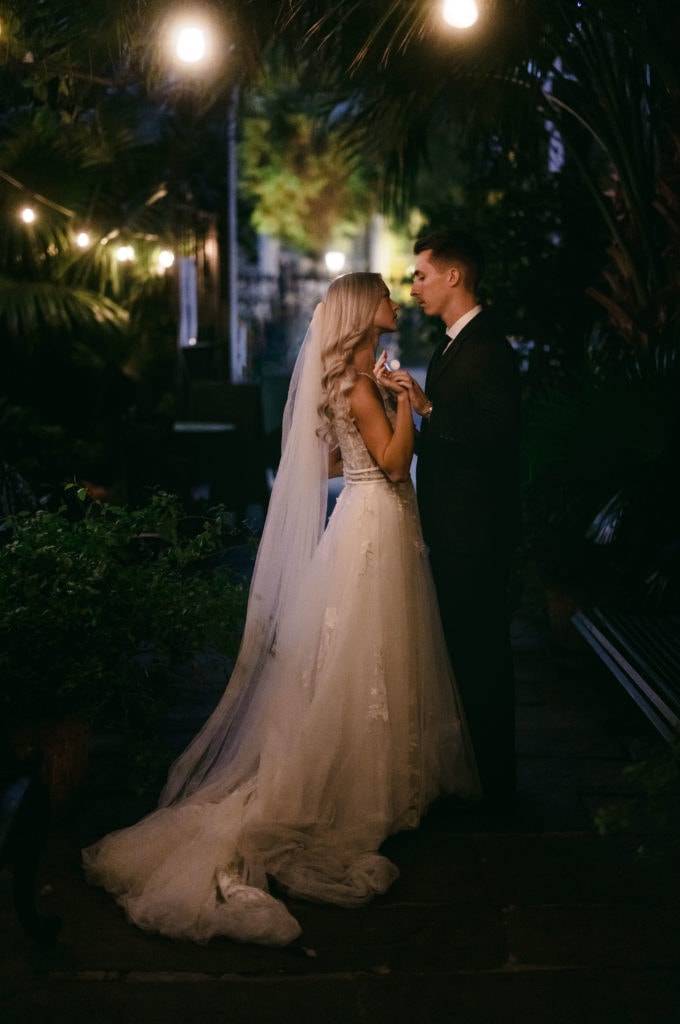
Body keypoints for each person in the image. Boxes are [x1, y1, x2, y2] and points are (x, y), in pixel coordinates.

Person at [83, 272, 479, 948]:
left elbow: (329, 462)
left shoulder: (344, 385)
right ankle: (371, 785)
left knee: (362, 652)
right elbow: (388, 463)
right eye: (383, 294)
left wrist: (371, 427)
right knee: (375, 650)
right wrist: (407, 402)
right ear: (363, 312)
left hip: (358, 516)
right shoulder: (362, 385)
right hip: (375, 518)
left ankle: (379, 773)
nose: (392, 301)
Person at [376, 230, 521, 808]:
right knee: (461, 654)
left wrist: (427, 407)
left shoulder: (488, 348)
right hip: (452, 528)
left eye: (421, 276)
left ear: (453, 277)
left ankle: (496, 790)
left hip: (477, 534)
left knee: (481, 656)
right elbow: (441, 440)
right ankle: (474, 778)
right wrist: (404, 407)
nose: (413, 287)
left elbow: (497, 438)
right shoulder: (448, 346)